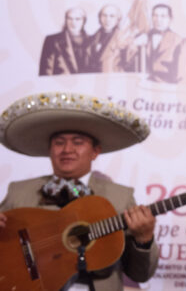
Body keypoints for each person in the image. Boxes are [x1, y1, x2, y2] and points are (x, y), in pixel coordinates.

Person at [0, 92, 159, 291]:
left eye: (78, 142)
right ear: (49, 150)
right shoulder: (19, 192)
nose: (67, 149)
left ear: (95, 151)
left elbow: (140, 275)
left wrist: (144, 240)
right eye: (59, 142)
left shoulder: (120, 197)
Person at [129, 3, 181, 82]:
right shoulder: (141, 36)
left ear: (170, 19)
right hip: (142, 84)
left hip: (166, 85)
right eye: (155, 16)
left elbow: (181, 70)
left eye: (163, 16)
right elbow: (127, 63)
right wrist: (134, 45)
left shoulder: (178, 40)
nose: (158, 19)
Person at [39, 6, 89, 75]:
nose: (73, 22)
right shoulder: (52, 40)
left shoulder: (91, 40)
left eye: (77, 19)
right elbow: (46, 71)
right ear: (66, 20)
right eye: (70, 18)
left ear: (84, 21)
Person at [84, 4, 131, 73]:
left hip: (113, 79)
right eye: (104, 15)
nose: (107, 19)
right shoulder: (92, 38)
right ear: (100, 18)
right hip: (93, 79)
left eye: (112, 16)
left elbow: (129, 61)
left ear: (118, 19)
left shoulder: (124, 38)